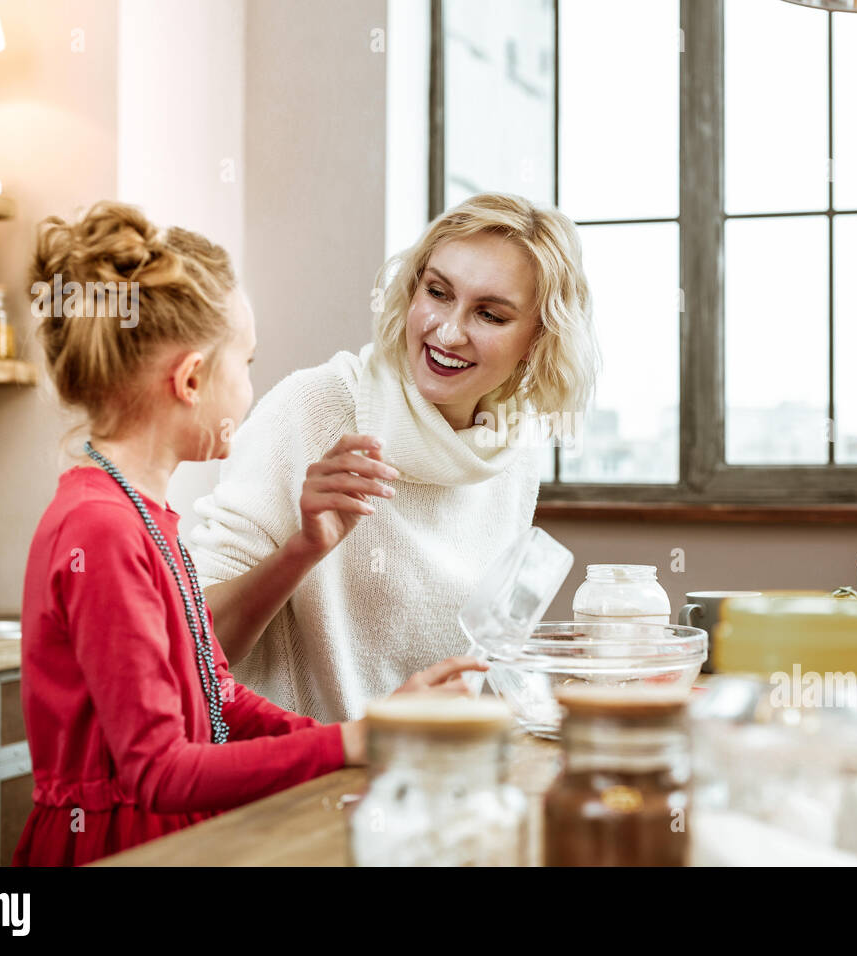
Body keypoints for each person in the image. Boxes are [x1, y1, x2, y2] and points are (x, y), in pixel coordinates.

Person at [13, 201, 483, 865]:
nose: (252, 389)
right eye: (247, 363)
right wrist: (354, 743)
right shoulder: (104, 529)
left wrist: (357, 735)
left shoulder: (143, 512)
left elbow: (215, 692)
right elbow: (161, 772)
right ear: (192, 378)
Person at [192, 192, 599, 722]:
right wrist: (302, 549)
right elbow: (195, 649)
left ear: (536, 339)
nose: (448, 331)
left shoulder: (511, 450)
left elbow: (477, 663)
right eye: (437, 292)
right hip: (300, 777)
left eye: (490, 315)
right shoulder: (313, 408)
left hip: (427, 766)